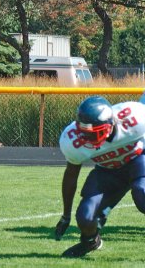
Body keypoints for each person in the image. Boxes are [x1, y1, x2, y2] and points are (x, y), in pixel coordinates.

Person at [55, 95, 145, 258]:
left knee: (142, 192)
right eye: (85, 134)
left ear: (110, 125)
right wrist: (66, 215)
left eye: (94, 134)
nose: (87, 139)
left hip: (138, 160)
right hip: (108, 171)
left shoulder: (137, 117)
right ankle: (91, 242)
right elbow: (71, 175)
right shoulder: (72, 140)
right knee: (85, 217)